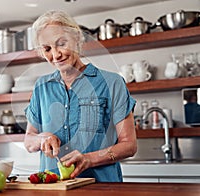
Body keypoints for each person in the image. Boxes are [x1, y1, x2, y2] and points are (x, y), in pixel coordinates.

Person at [24, 10, 137, 182]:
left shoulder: (112, 83)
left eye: (61, 43)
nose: (55, 55)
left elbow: (129, 145)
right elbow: (29, 140)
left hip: (102, 189)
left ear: (76, 39)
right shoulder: (42, 87)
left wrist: (89, 159)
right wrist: (42, 139)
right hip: (53, 190)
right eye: (47, 49)